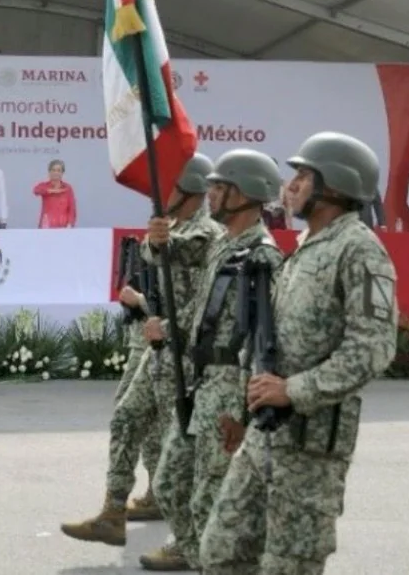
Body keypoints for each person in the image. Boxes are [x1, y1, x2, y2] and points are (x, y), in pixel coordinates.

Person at [199, 131, 400, 575]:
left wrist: (293, 390)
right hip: (263, 435)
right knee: (221, 552)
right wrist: (243, 409)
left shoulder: (361, 250)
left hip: (311, 450)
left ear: (335, 185)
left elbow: (374, 347)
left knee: (288, 566)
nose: (290, 186)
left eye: (304, 176)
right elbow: (267, 342)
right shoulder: (307, 245)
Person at [60, 153, 223, 548]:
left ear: (190, 190)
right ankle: (112, 512)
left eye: (170, 187)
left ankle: (189, 539)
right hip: (160, 350)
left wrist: (160, 239)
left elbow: (182, 253)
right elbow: (157, 252)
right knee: (126, 418)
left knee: (177, 443)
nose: (161, 194)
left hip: (187, 358)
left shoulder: (207, 233)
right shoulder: (175, 228)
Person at [140, 149, 286, 572]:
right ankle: (197, 556)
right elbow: (170, 262)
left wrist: (243, 410)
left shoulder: (262, 256)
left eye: (220, 188)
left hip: (229, 389)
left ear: (245, 193)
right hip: (201, 382)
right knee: (169, 484)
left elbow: (264, 342)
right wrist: (156, 240)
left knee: (210, 500)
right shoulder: (221, 243)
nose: (211, 195)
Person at [33, 159, 77, 228]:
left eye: (59, 170)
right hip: (46, 226)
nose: (56, 173)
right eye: (53, 170)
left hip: (64, 226)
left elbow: (72, 209)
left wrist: (70, 224)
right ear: (49, 172)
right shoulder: (44, 185)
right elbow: (36, 191)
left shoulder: (67, 188)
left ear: (62, 173)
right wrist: (51, 191)